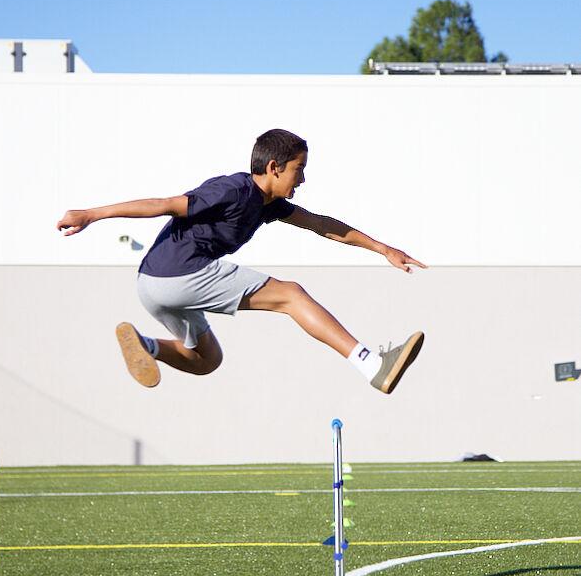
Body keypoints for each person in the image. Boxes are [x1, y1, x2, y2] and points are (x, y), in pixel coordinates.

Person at [57, 128, 426, 394]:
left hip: (151, 286)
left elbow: (321, 225)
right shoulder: (233, 189)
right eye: (299, 168)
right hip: (180, 271)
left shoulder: (269, 206)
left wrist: (383, 249)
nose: (304, 178)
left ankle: (146, 345)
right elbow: (165, 204)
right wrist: (91, 214)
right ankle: (371, 365)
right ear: (275, 167)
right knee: (292, 296)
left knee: (206, 359)